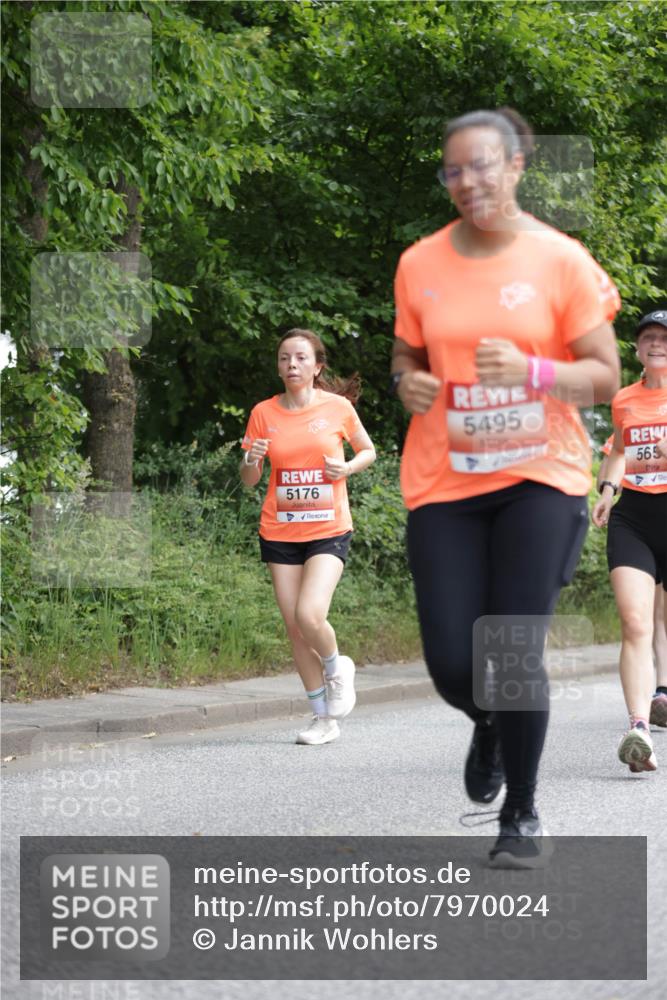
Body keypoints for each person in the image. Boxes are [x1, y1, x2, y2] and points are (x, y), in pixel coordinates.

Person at [392, 107, 620, 867]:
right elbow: (405, 356)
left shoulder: (560, 260)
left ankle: (520, 812)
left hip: (539, 474)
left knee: (513, 648)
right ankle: (487, 723)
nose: (467, 182)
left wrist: (533, 370)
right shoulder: (419, 263)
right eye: (452, 170)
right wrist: (406, 383)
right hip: (444, 479)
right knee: (453, 663)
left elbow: (603, 376)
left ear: (517, 165)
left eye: (481, 165)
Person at [241, 328, 376, 745]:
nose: (292, 365)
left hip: (328, 528)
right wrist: (251, 460)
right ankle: (322, 719)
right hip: (280, 530)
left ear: (317, 367)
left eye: (301, 358)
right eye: (284, 358)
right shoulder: (263, 412)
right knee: (295, 629)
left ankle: (337, 667)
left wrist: (347, 468)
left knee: (310, 614)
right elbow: (249, 480)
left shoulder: (337, 408)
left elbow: (367, 451)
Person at [592, 310, 667, 770]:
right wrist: (607, 491)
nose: (656, 344)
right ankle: (639, 727)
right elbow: (619, 450)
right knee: (635, 621)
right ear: (637, 349)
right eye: (648, 338)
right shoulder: (624, 399)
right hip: (634, 516)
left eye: (664, 337)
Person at [598, 433, 667, 728]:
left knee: (660, 615)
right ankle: (655, 700)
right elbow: (610, 464)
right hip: (636, 521)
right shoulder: (627, 418)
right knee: (645, 617)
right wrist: (607, 490)